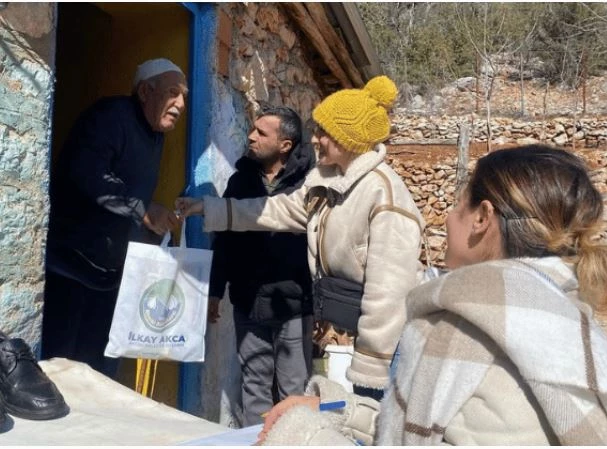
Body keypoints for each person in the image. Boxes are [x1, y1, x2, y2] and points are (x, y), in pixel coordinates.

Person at [255, 144, 607, 446]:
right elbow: (424, 428)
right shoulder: (565, 317)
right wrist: (336, 409)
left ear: (482, 218)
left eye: (459, 205)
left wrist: (301, 435)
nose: (447, 217)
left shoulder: (463, 329)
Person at [176, 76, 425, 401]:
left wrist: (370, 365)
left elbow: (389, 291)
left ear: (347, 139)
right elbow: (275, 210)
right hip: (360, 333)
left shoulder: (383, 194)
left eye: (324, 132)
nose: (315, 139)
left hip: (384, 349)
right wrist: (209, 208)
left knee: (375, 421)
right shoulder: (326, 183)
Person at [42, 58, 188, 377]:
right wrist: (142, 209)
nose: (180, 104)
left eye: (184, 97)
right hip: (71, 268)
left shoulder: (155, 135)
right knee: (58, 370)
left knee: (96, 374)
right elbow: (87, 173)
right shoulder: (111, 116)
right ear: (146, 91)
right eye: (173, 93)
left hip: (110, 277)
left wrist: (154, 228)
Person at [208, 106, 315, 426]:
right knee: (254, 386)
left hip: (293, 305)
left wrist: (322, 304)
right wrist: (215, 291)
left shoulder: (308, 184)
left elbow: (323, 242)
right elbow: (224, 239)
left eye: (261, 133)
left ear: (285, 145)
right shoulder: (241, 181)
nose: (251, 136)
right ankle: (257, 440)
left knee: (294, 389)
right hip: (248, 301)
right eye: (252, 129)